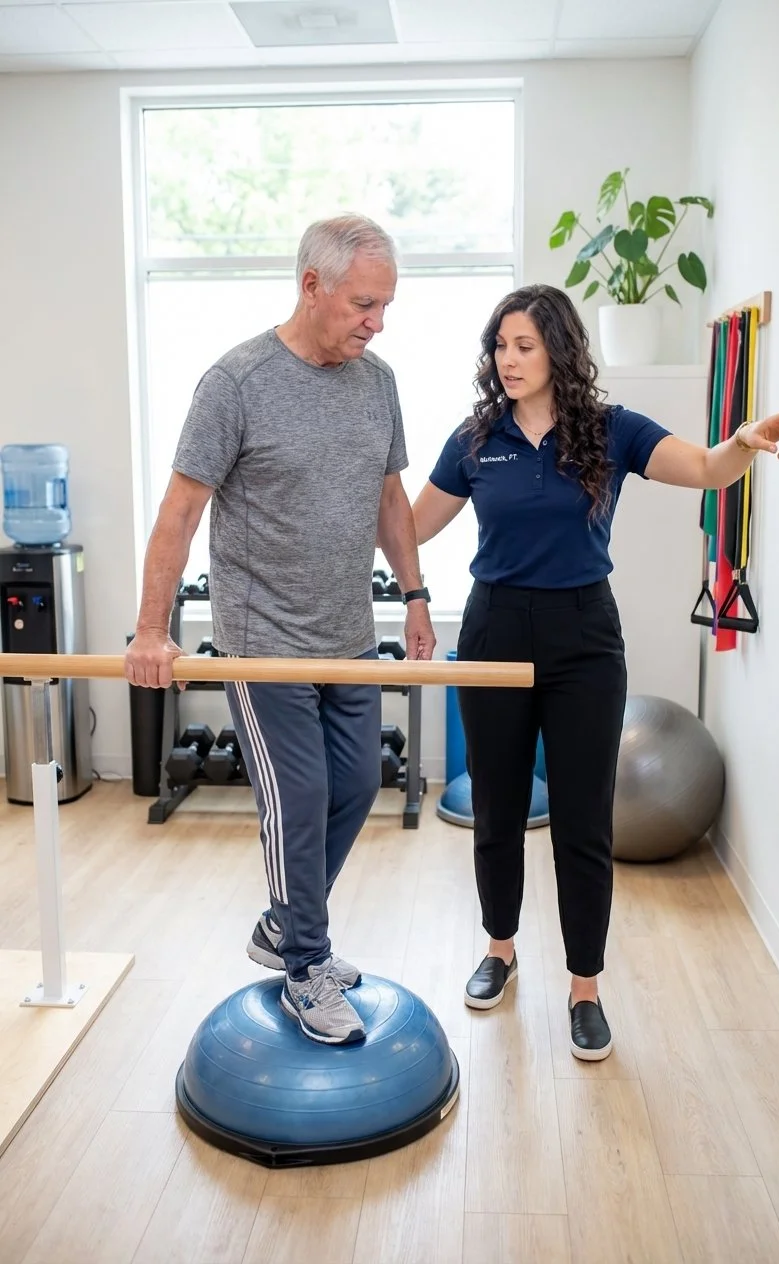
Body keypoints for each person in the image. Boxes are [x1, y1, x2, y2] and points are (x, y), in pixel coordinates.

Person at [412, 284, 779, 1061]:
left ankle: (584, 986)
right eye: (500, 346)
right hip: (492, 627)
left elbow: (702, 469)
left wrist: (743, 443)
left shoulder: (608, 428)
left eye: (524, 345)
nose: (509, 359)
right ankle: (498, 950)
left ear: (559, 348)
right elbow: (408, 526)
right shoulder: (474, 438)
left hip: (582, 634)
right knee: (496, 807)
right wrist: (408, 587)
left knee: (584, 820)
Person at [125, 214, 436, 1046]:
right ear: (311, 286)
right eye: (364, 304)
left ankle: (281, 927)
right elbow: (180, 511)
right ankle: (305, 964)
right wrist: (150, 632)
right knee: (298, 799)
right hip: (263, 642)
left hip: (347, 635)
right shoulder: (236, 383)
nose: (377, 322)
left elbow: (388, 497)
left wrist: (412, 594)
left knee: (358, 786)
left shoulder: (377, 382)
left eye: (385, 306)